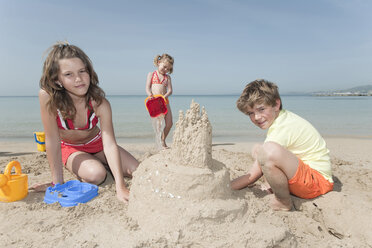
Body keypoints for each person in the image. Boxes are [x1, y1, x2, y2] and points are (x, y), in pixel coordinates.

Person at [32, 42, 139, 202]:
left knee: (138, 170)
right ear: (57, 80)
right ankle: (93, 165)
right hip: (70, 147)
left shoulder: (100, 103)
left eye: (82, 71)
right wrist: (57, 183)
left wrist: (120, 187)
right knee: (97, 175)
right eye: (68, 74)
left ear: (89, 72)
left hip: (97, 143)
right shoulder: (48, 97)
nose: (78, 79)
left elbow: (109, 144)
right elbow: (52, 139)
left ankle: (100, 163)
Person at [231, 79, 333, 211]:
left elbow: (252, 175)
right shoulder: (283, 118)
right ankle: (271, 186)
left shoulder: (283, 127)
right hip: (308, 176)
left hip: (317, 184)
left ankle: (283, 202)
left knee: (268, 151)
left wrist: (227, 186)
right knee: (258, 150)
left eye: (261, 109)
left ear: (276, 104)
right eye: (251, 113)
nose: (256, 117)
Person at [145, 54, 174, 148]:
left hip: (165, 101)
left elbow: (170, 90)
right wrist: (150, 95)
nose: (165, 69)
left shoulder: (167, 78)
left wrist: (164, 97)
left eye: (168, 69)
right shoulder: (151, 74)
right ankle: (160, 144)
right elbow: (147, 87)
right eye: (164, 67)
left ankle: (163, 139)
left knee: (169, 123)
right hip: (155, 102)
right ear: (159, 63)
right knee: (158, 125)